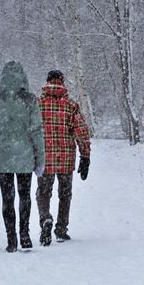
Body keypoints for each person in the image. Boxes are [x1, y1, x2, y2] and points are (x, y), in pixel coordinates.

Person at [0, 61, 45, 253]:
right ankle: (24, 235)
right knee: (25, 196)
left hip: (2, 157)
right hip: (24, 156)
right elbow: (36, 131)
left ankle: (11, 240)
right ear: (23, 76)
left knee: (7, 199)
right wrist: (40, 159)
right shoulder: (30, 99)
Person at [37, 70, 91, 246]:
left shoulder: (38, 104)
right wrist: (85, 156)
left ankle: (45, 219)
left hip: (44, 159)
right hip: (66, 159)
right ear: (62, 82)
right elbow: (81, 131)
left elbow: (29, 131)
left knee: (43, 193)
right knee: (65, 194)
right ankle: (61, 229)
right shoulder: (70, 105)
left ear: (47, 82)